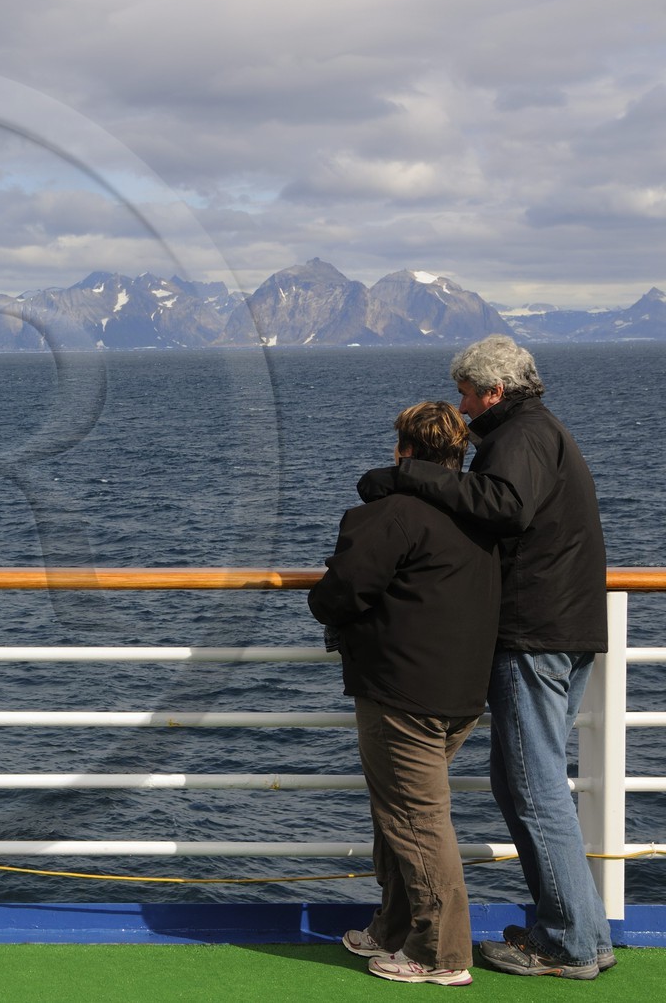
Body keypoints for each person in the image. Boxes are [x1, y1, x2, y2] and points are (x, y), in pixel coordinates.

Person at [357, 335, 614, 979]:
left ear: (494, 390)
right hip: (568, 628)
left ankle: (573, 941)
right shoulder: (538, 432)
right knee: (526, 783)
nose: (462, 407)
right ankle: (578, 930)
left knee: (532, 789)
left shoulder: (521, 436)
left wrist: (412, 475)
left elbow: (505, 505)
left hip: (536, 634)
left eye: (468, 393)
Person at [310, 401, 501, 986]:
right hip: (462, 692)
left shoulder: (393, 514)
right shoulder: (482, 517)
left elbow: (339, 592)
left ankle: (441, 954)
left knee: (417, 822)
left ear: (405, 451)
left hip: (402, 693)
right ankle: (393, 927)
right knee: (401, 815)